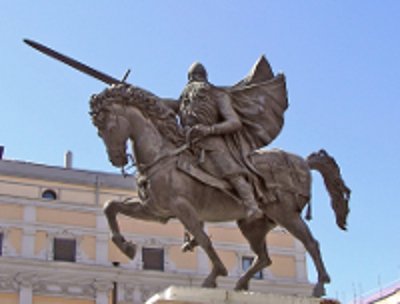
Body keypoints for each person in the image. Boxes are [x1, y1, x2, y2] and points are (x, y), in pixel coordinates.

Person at [174, 62, 264, 220]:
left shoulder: (218, 95)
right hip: (186, 142)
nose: (195, 83)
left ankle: (251, 204)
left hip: (212, 142)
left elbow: (234, 122)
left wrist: (209, 130)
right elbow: (163, 104)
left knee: (231, 172)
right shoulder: (185, 99)